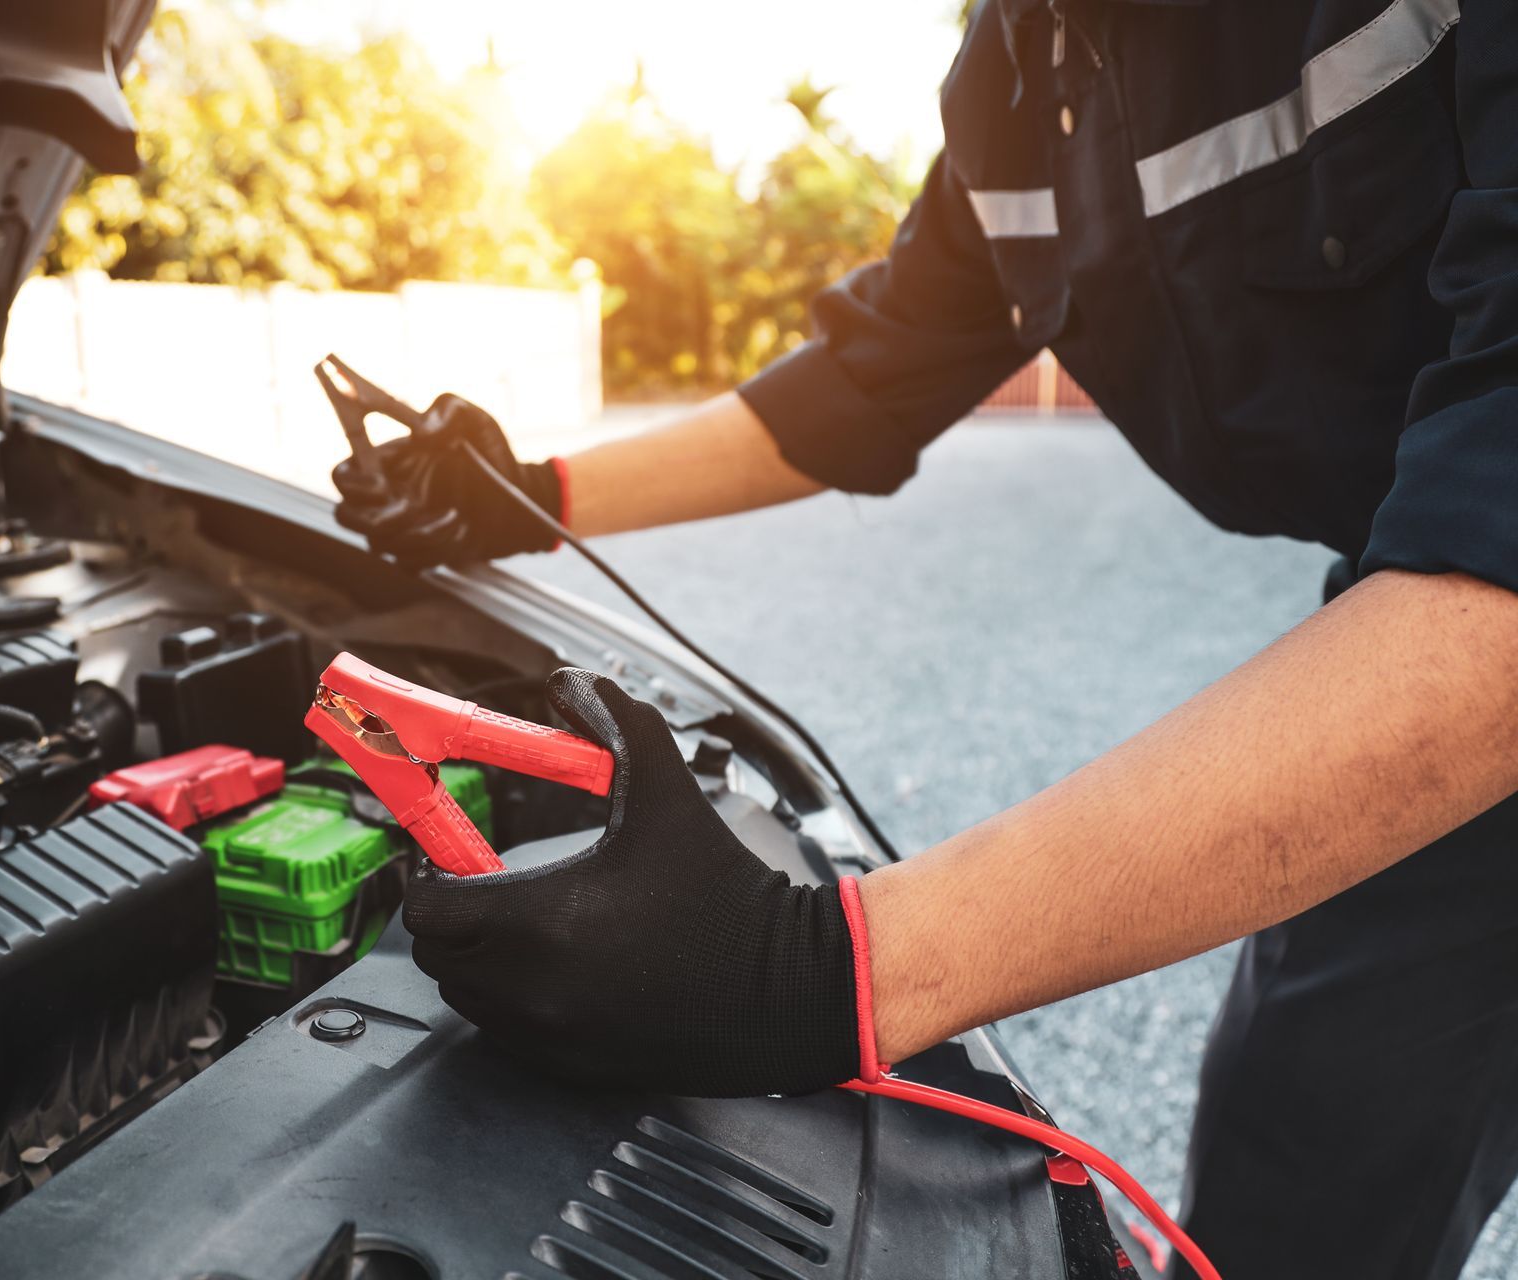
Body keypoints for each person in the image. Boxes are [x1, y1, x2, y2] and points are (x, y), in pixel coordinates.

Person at [332, 3, 1518, 1277]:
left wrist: (810, 969)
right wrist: (526, 495)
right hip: (1429, 610)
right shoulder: (1017, 79)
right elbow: (859, 384)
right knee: (1301, 1172)